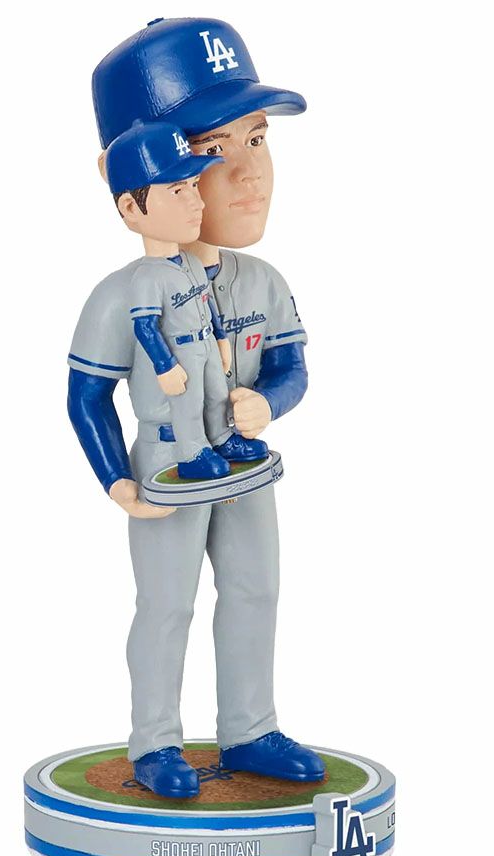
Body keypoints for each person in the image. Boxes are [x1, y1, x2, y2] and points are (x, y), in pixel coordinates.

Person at [67, 17, 324, 798]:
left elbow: (292, 368)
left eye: (258, 139)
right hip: (167, 466)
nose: (249, 172)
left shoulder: (261, 281)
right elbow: (86, 395)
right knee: (166, 605)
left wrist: (267, 403)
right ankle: (155, 744)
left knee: (255, 590)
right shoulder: (122, 295)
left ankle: (250, 729)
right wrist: (115, 480)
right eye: (211, 151)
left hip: (243, 463)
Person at [105, 118, 269, 479]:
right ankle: (193, 453)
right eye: (178, 191)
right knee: (189, 405)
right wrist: (164, 365)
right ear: (131, 208)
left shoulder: (192, 264)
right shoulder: (147, 278)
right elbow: (145, 326)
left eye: (194, 185)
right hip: (180, 350)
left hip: (206, 344)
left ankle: (222, 439)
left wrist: (221, 339)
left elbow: (206, 302)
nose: (198, 201)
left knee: (216, 395)